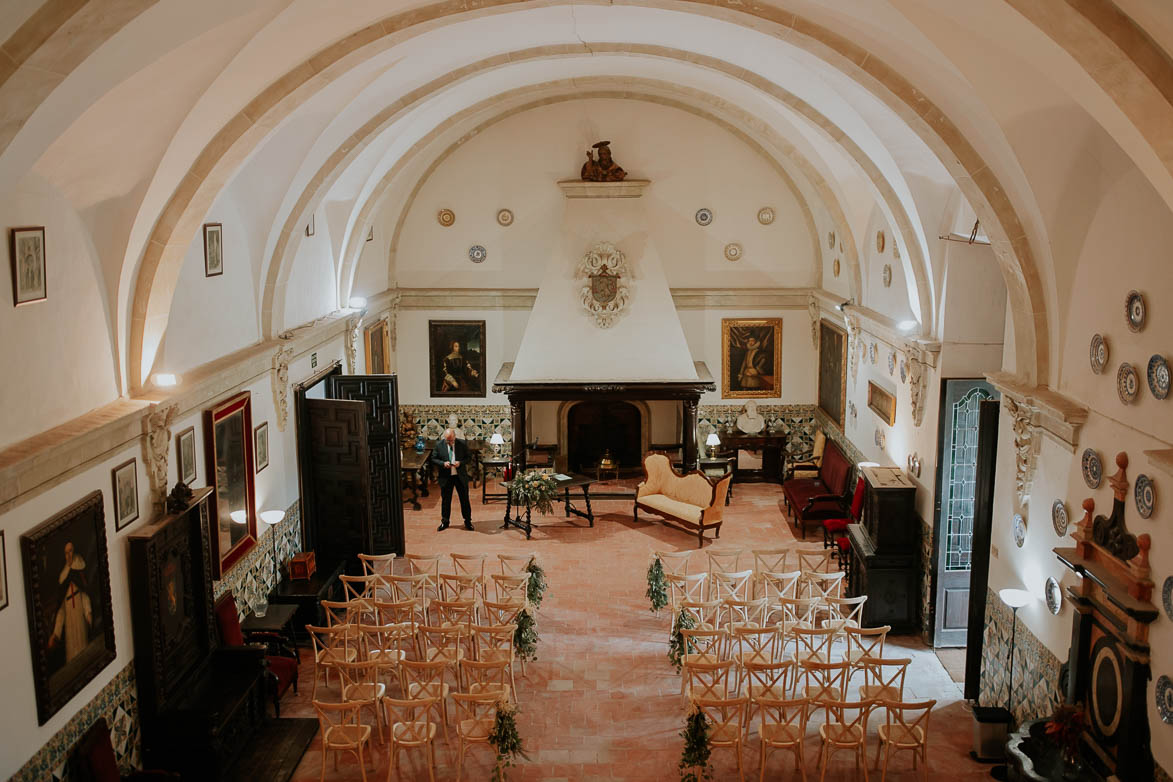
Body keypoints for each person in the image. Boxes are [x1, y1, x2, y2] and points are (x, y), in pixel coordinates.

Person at [47, 541, 93, 664]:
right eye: (66, 553)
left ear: (75, 550)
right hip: (69, 625)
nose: (69, 555)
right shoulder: (63, 576)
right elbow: (61, 610)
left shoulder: (80, 568)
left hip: (79, 618)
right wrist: (56, 633)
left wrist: (88, 613)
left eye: (70, 551)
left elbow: (84, 596)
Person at [431, 428, 473, 531]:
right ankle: (445, 522)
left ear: (455, 437)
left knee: (464, 500)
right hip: (446, 477)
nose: (449, 442)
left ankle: (468, 521)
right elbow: (433, 458)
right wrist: (443, 464)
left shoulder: (462, 444)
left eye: (451, 440)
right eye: (447, 440)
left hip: (460, 476)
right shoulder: (439, 445)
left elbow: (469, 457)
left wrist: (460, 463)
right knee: (446, 500)